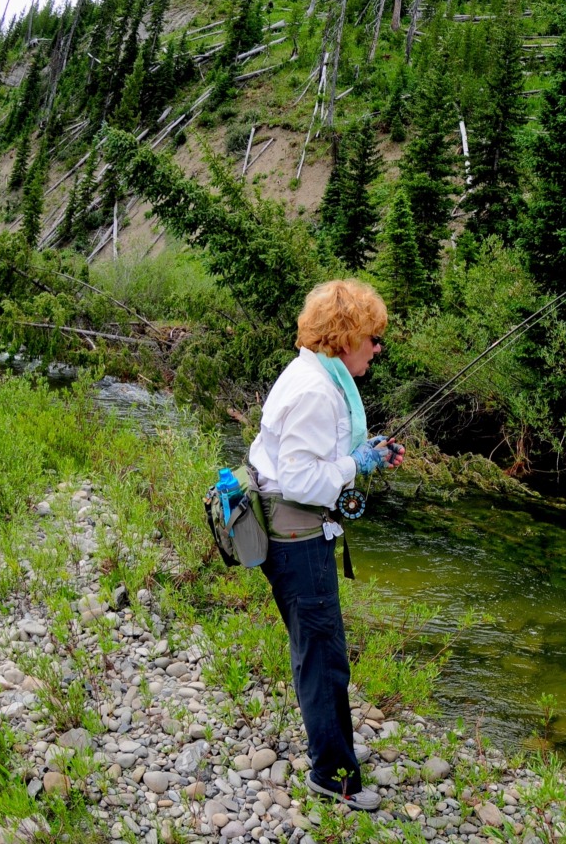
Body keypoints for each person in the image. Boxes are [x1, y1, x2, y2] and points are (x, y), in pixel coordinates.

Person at [248, 278, 404, 811]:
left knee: (317, 650)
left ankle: (332, 758)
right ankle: (333, 777)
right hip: (296, 538)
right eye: (372, 338)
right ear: (344, 337)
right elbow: (299, 479)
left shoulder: (312, 373)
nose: (377, 348)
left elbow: (315, 454)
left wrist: (369, 453)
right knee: (324, 658)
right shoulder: (316, 389)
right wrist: (352, 465)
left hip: (291, 533)